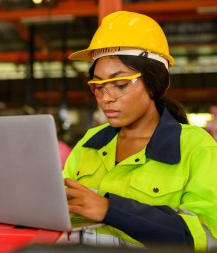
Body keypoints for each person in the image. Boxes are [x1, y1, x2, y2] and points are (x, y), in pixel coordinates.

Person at [63, 11, 217, 251]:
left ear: (154, 81)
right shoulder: (90, 143)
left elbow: (205, 238)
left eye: (120, 84)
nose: (105, 99)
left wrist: (110, 210)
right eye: (98, 86)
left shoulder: (196, 148)